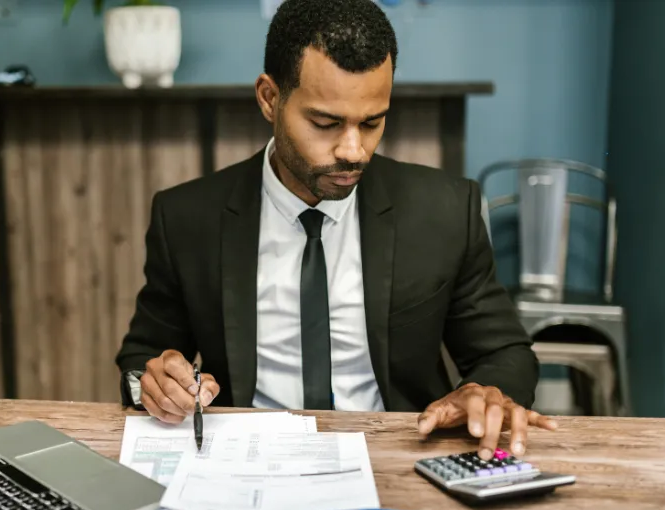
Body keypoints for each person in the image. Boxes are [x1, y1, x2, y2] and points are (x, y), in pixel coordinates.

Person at [115, 0, 556, 461]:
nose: (353, 151)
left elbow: (505, 351)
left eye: (372, 122)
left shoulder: (445, 210)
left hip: (401, 456)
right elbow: (142, 356)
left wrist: (484, 391)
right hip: (244, 460)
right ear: (269, 98)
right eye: (325, 123)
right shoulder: (187, 217)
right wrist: (155, 384)